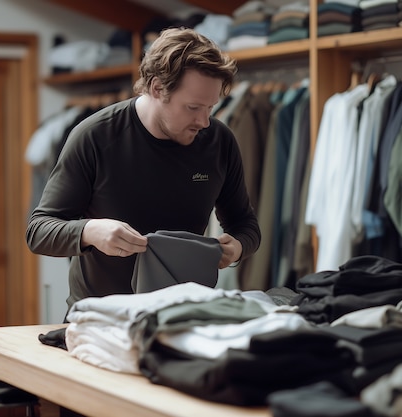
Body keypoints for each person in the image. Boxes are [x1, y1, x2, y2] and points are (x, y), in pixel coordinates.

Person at [26, 27, 261, 318]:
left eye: (211, 107)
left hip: (181, 317)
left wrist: (237, 247)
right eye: (192, 107)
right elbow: (38, 231)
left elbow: (246, 224)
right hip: (100, 319)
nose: (204, 121)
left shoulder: (220, 141)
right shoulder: (95, 136)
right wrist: (90, 231)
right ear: (157, 88)